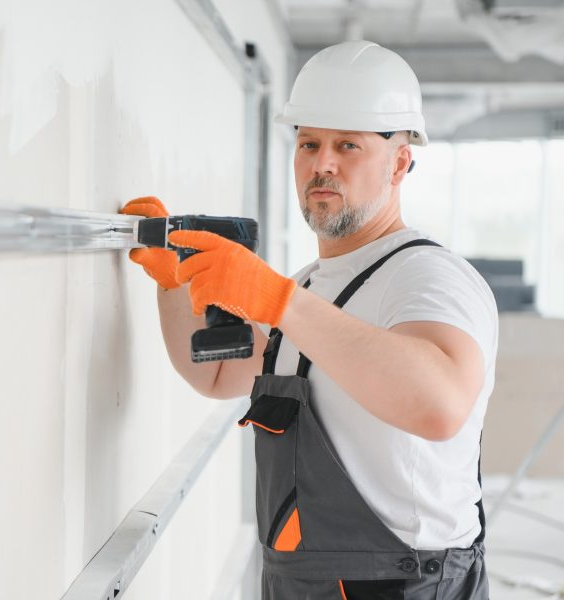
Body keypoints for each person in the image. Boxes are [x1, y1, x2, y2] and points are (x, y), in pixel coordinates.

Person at [120, 40, 497, 599]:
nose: (323, 164)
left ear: (399, 163)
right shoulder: (309, 286)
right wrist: (174, 282)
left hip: (405, 585)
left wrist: (278, 302)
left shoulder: (428, 277)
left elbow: (439, 404)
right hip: (302, 580)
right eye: (309, 143)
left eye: (348, 145)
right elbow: (216, 373)